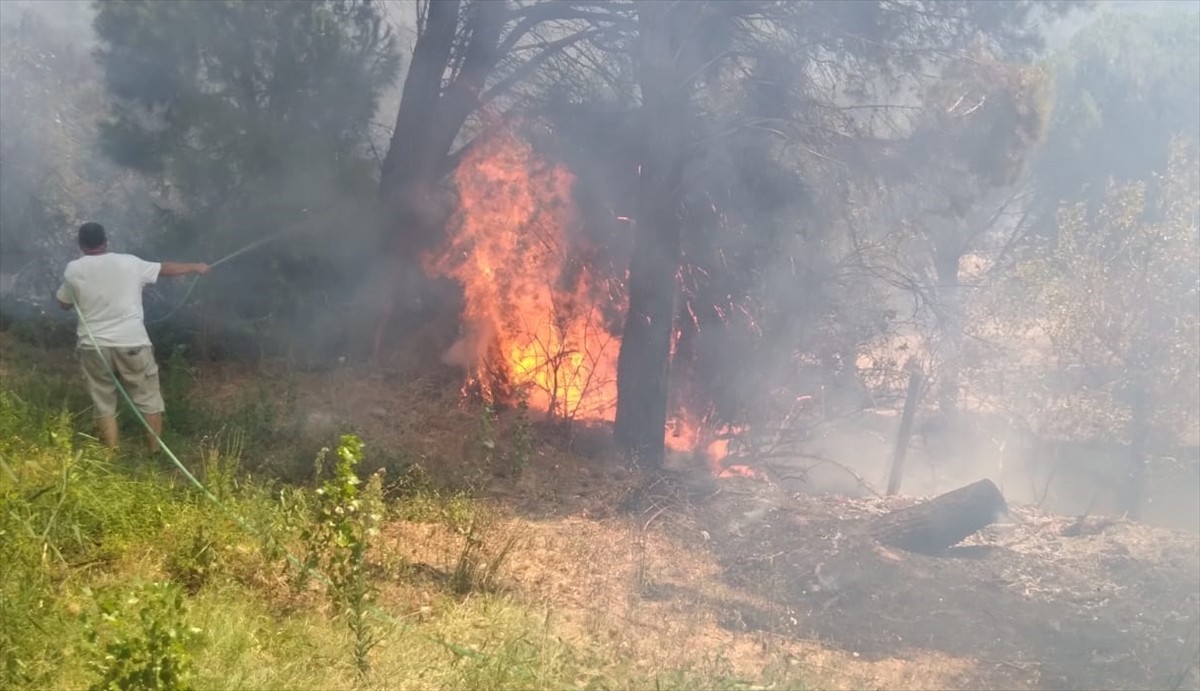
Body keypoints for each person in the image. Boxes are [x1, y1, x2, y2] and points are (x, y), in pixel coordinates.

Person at [55, 222, 209, 451]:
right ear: (106, 242)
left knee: (103, 401)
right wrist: (196, 267)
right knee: (148, 398)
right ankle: (154, 452)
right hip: (132, 343)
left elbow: (63, 303)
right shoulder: (129, 263)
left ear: (80, 245)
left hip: (93, 346)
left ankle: (111, 453)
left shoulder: (73, 269)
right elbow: (166, 268)